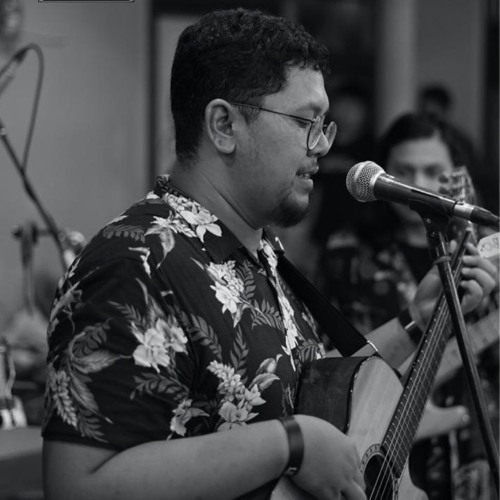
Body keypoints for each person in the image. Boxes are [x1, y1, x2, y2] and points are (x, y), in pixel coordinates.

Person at [41, 10, 497, 500]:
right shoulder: (134, 261)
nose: (321, 146)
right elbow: (76, 485)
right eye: (305, 122)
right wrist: (288, 443)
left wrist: (415, 321)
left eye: (324, 125)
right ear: (224, 125)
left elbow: (310, 392)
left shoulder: (259, 251)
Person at [316, 112, 499, 499]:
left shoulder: (484, 249)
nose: (418, 183)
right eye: (404, 171)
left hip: (473, 451)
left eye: (433, 171)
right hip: (377, 445)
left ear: (455, 175)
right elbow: (328, 355)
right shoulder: (347, 252)